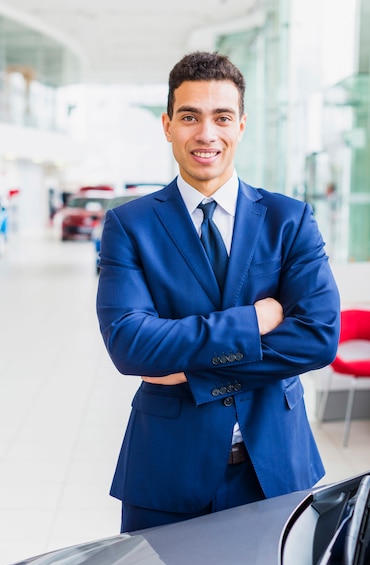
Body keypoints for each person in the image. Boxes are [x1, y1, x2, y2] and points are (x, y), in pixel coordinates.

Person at [96, 51, 340, 533]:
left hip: (276, 469)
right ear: (168, 125)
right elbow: (130, 344)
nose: (206, 133)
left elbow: (318, 336)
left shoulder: (288, 219)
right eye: (190, 116)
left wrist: (193, 371)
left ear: (241, 125)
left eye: (221, 117)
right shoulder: (129, 225)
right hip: (166, 471)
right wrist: (254, 321)